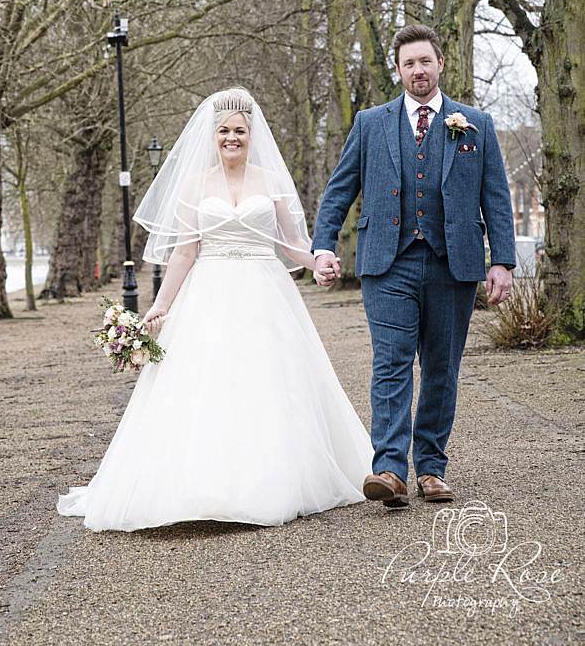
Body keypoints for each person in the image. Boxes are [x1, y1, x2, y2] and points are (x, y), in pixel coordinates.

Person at [57, 88, 373, 531]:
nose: (231, 138)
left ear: (252, 134)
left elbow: (290, 243)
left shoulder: (271, 181)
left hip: (265, 293)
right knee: (206, 382)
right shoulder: (194, 185)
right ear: (212, 135)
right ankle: (202, 486)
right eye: (224, 131)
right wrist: (160, 306)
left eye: (239, 131)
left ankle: (270, 479)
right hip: (209, 291)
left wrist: (320, 259)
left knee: (269, 382)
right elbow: (185, 253)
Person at [312, 24, 516, 509]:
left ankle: (431, 468)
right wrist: (322, 246)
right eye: (408, 64)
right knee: (391, 364)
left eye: (425, 61)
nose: (418, 70)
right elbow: (340, 189)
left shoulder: (476, 124)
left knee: (442, 368)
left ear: (440, 64)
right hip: (388, 263)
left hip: (455, 263)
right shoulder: (370, 123)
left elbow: (496, 196)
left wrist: (503, 260)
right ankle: (388, 468)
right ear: (398, 70)